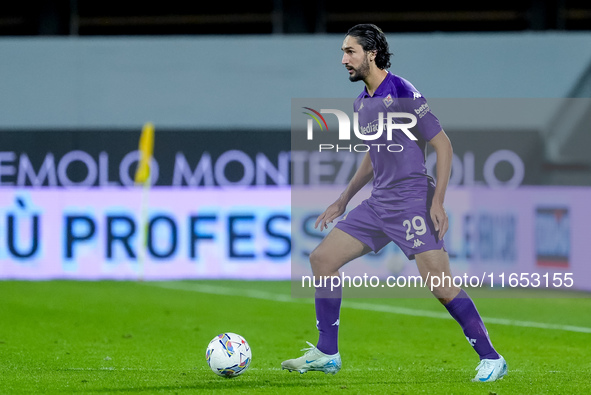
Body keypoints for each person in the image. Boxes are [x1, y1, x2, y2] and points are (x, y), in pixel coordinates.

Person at [282, 23, 507, 383]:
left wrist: (438, 201)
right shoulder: (362, 103)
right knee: (322, 259)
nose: (344, 59)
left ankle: (491, 357)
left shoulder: (400, 90)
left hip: (412, 201)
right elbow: (374, 155)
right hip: (378, 204)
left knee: (439, 283)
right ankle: (327, 353)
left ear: (371, 53)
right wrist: (344, 199)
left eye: (350, 51)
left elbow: (442, 144)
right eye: (343, 52)